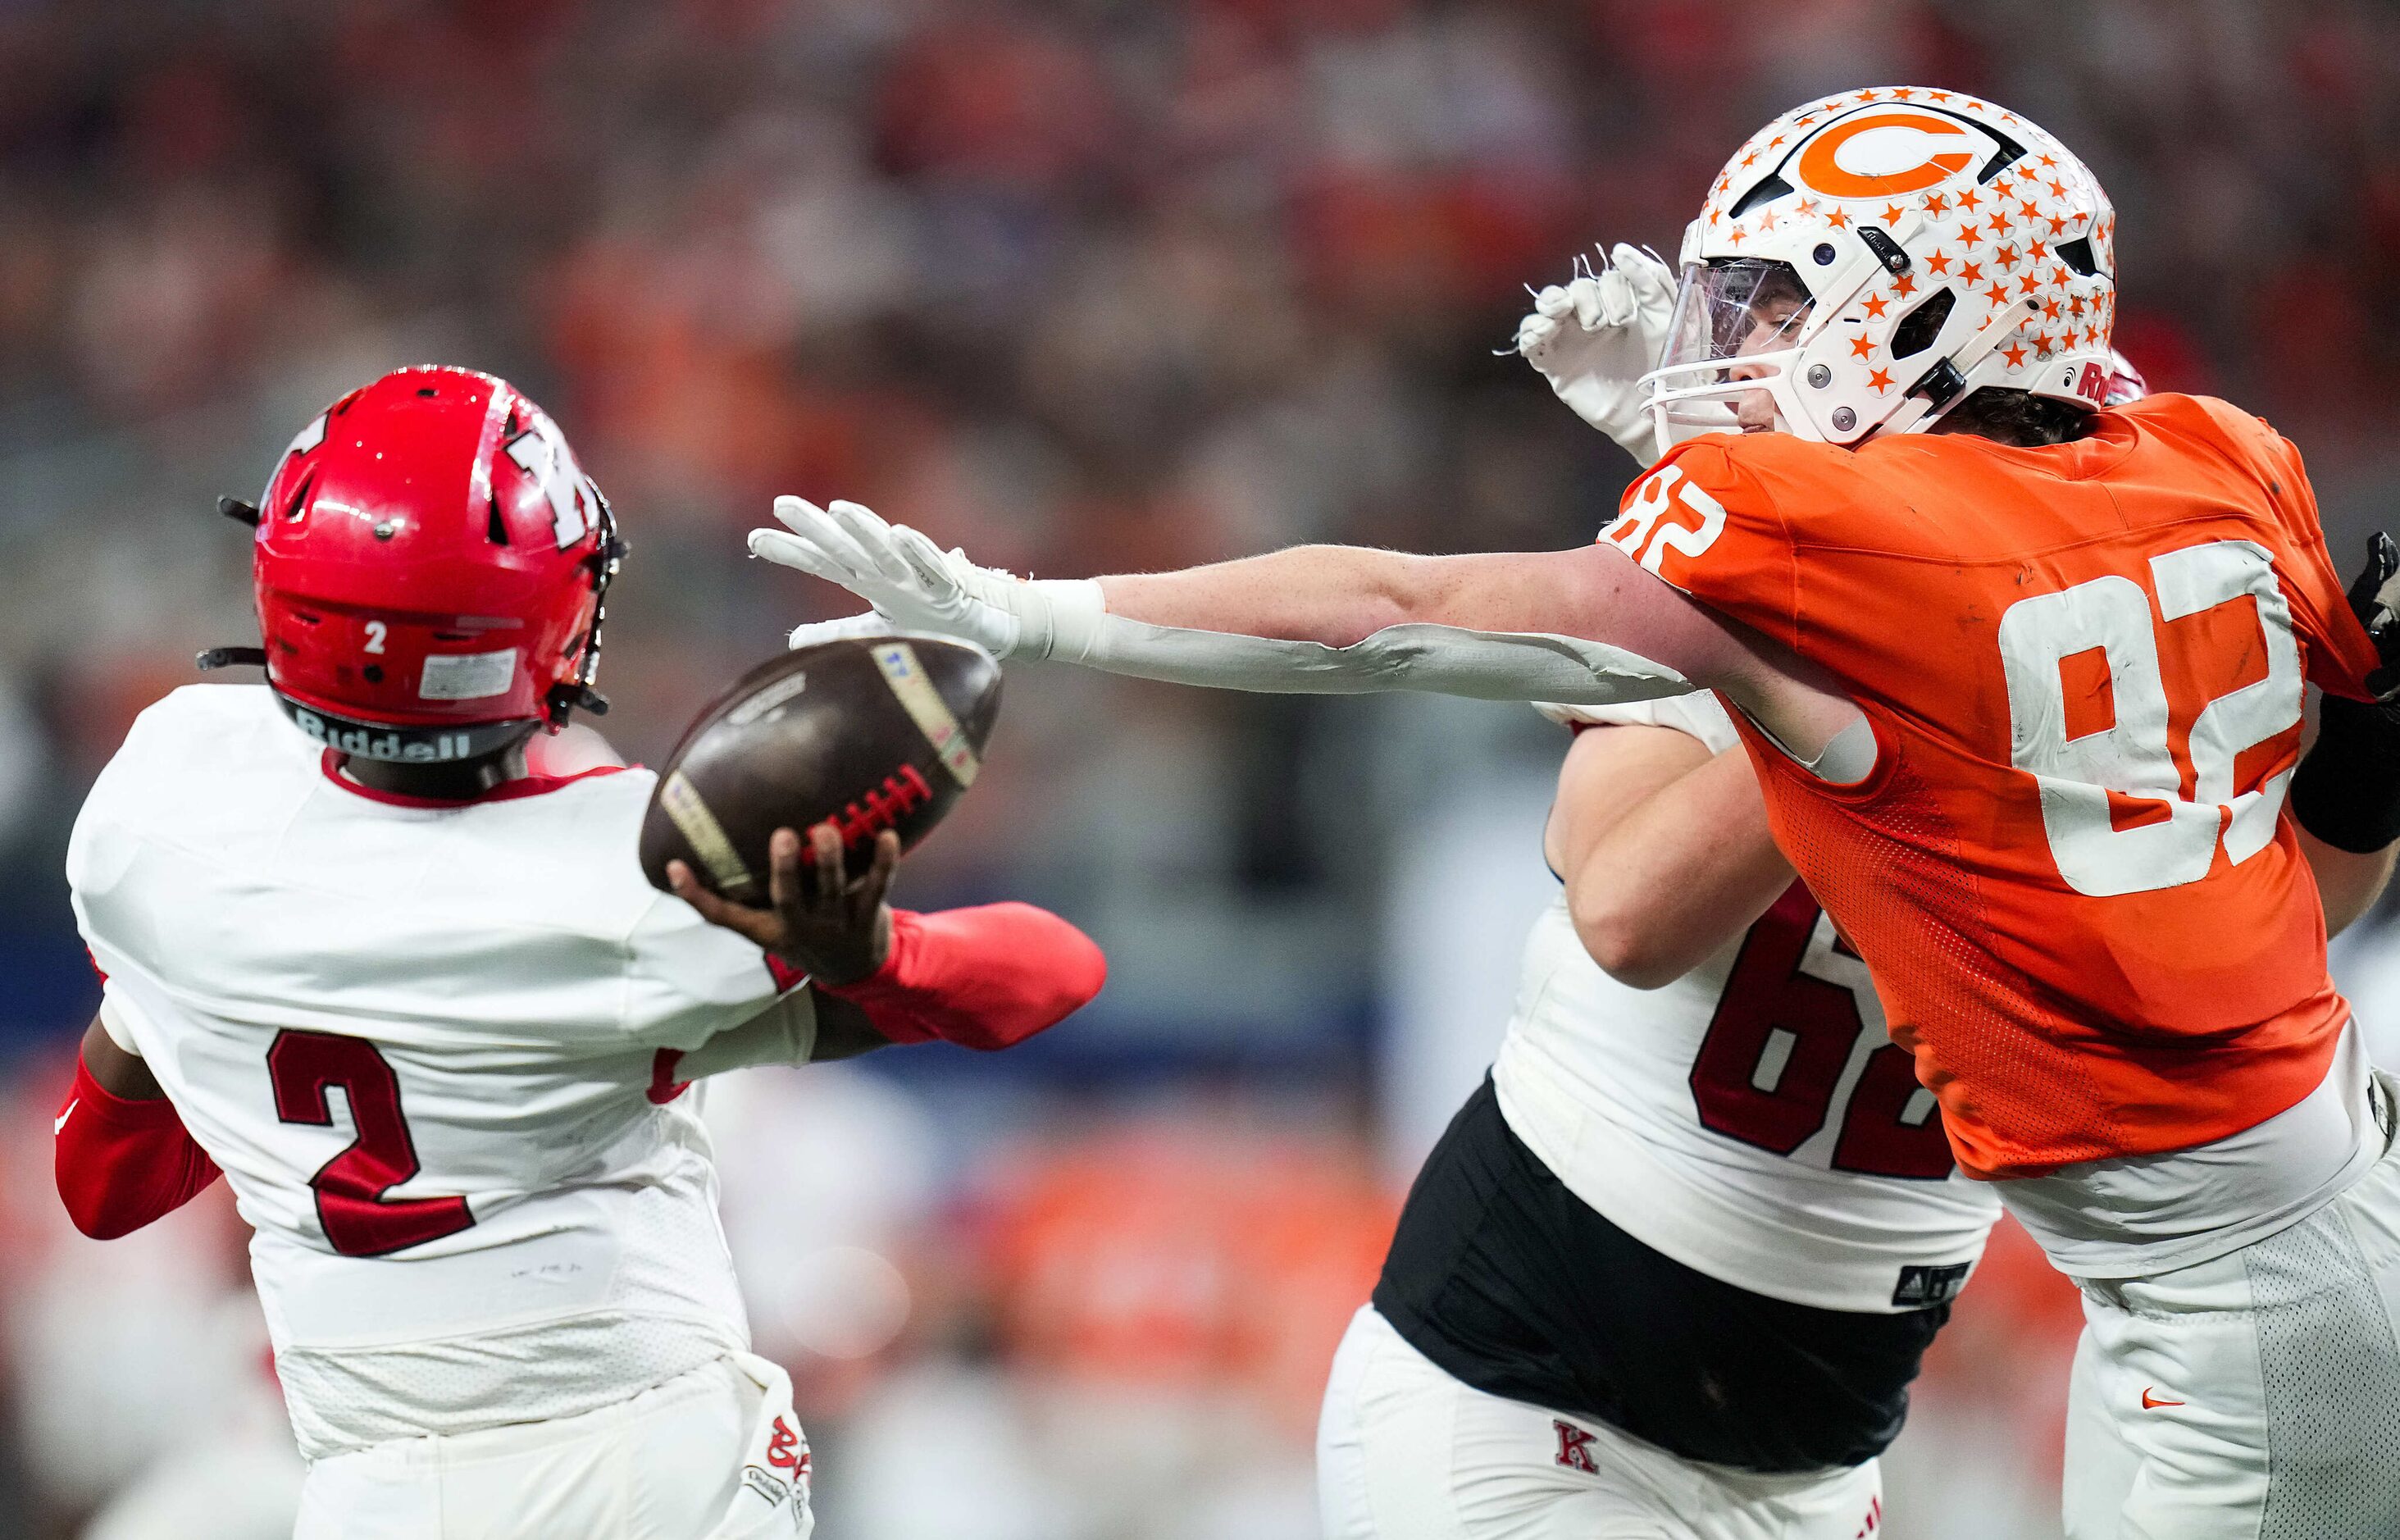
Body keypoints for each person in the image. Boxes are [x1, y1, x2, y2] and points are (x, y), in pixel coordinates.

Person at [750, 89, 2400, 1537]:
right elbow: (1620, 897)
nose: (1730, 350)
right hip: (1546, 1373)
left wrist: (1840, 643)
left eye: (1772, 307)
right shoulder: (2181, 477)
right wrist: (1803, 649)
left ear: (1919, 332)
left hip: (1839, 1427)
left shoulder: (1983, 554)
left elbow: (2288, 913)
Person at [55, 366, 1107, 1540]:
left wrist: (196, 1017)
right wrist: (866, 952)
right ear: (536, 623)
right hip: (637, 1466)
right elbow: (1053, 973)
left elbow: (100, 1188)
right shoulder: (631, 887)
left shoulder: (163, 798)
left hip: (371, 1488)